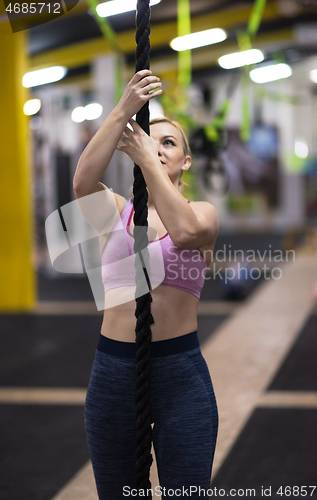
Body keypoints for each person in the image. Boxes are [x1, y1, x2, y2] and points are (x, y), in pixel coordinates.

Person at [73, 69, 219, 499]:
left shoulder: (204, 214)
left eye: (168, 143)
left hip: (180, 376)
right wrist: (124, 108)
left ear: (185, 161)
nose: (157, 148)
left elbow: (186, 233)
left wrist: (144, 158)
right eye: (149, 139)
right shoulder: (116, 211)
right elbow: (82, 182)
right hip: (114, 373)